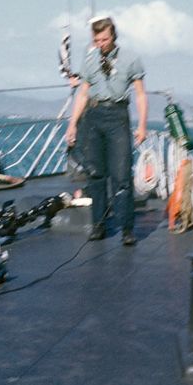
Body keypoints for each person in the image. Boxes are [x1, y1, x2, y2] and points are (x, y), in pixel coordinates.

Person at [65, 16, 147, 246]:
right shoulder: (89, 60)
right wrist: (72, 125)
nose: (101, 43)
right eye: (97, 40)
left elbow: (140, 94)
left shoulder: (131, 59)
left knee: (121, 176)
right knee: (96, 175)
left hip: (117, 117)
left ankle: (127, 229)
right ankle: (98, 225)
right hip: (93, 117)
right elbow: (82, 93)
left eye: (105, 39)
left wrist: (141, 126)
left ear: (113, 37)